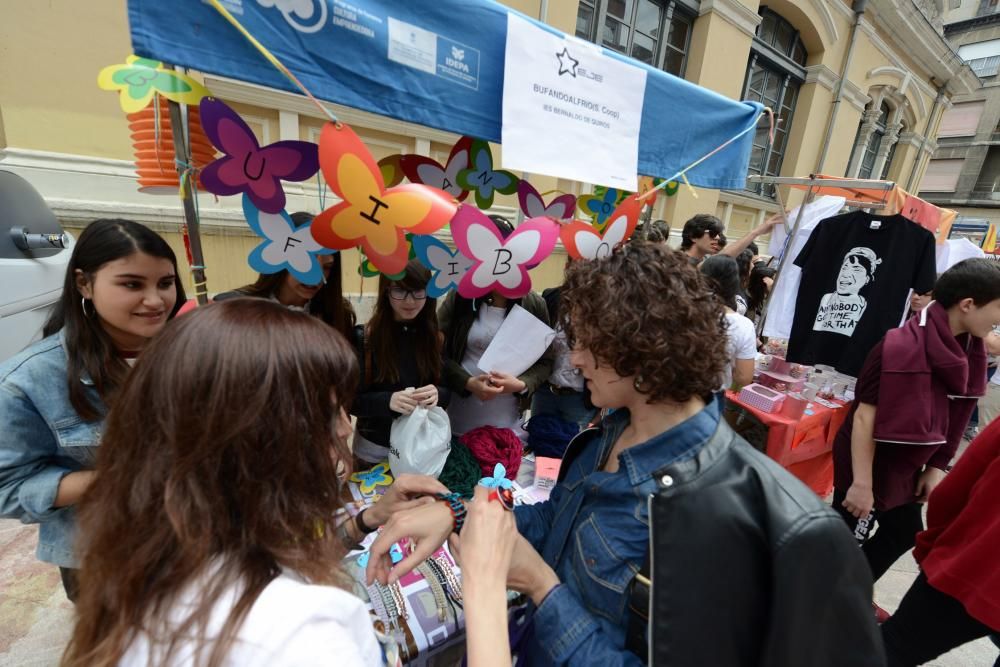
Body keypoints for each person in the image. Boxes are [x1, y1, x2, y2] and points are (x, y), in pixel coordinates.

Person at [366, 242, 882, 667]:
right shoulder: (605, 435)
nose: (578, 357)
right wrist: (459, 513)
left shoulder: (749, 524)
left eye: (591, 342)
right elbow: (557, 520)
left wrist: (543, 589)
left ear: (643, 351)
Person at [61, 299, 517, 667]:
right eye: (330, 412)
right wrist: (484, 590)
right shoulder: (307, 636)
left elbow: (274, 562)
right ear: (259, 438)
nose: (344, 429)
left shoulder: (157, 555)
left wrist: (366, 520)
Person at [0, 219, 185, 601]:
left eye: (165, 283)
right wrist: (118, 478)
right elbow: (8, 488)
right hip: (106, 559)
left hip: (200, 538)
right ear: (84, 283)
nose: (155, 300)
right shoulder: (29, 381)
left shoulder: (193, 352)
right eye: (132, 284)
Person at [833, 259, 1000, 591]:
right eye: (997, 309)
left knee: (902, 532)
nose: (998, 320)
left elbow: (957, 411)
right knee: (842, 541)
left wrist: (935, 466)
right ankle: (821, 606)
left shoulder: (966, 348)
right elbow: (865, 418)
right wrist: (862, 483)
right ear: (967, 305)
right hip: (869, 459)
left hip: (905, 463)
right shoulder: (898, 346)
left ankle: (845, 597)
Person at [880, 418, 1000, 666]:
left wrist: (932, 552)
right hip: (970, 568)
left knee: (891, 649)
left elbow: (952, 493)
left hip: (968, 567)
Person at [438, 216, 553, 440]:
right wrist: (467, 382)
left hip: (509, 422)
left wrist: (521, 384)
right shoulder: (461, 297)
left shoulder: (533, 304)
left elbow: (546, 360)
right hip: (460, 417)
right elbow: (437, 352)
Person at [352, 260, 451, 467]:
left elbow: (447, 390)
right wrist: (388, 401)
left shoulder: (435, 339)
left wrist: (437, 394)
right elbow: (351, 400)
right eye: (400, 291)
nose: (410, 301)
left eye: (418, 291)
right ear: (386, 291)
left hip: (419, 450)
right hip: (372, 453)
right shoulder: (365, 338)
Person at [214, 212, 355, 340]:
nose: (316, 278)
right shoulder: (235, 310)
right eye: (306, 263)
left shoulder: (338, 315)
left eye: (327, 267)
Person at [700, 255, 756, 390]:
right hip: (710, 396)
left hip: (670, 394)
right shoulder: (743, 325)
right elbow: (743, 377)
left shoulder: (682, 310)